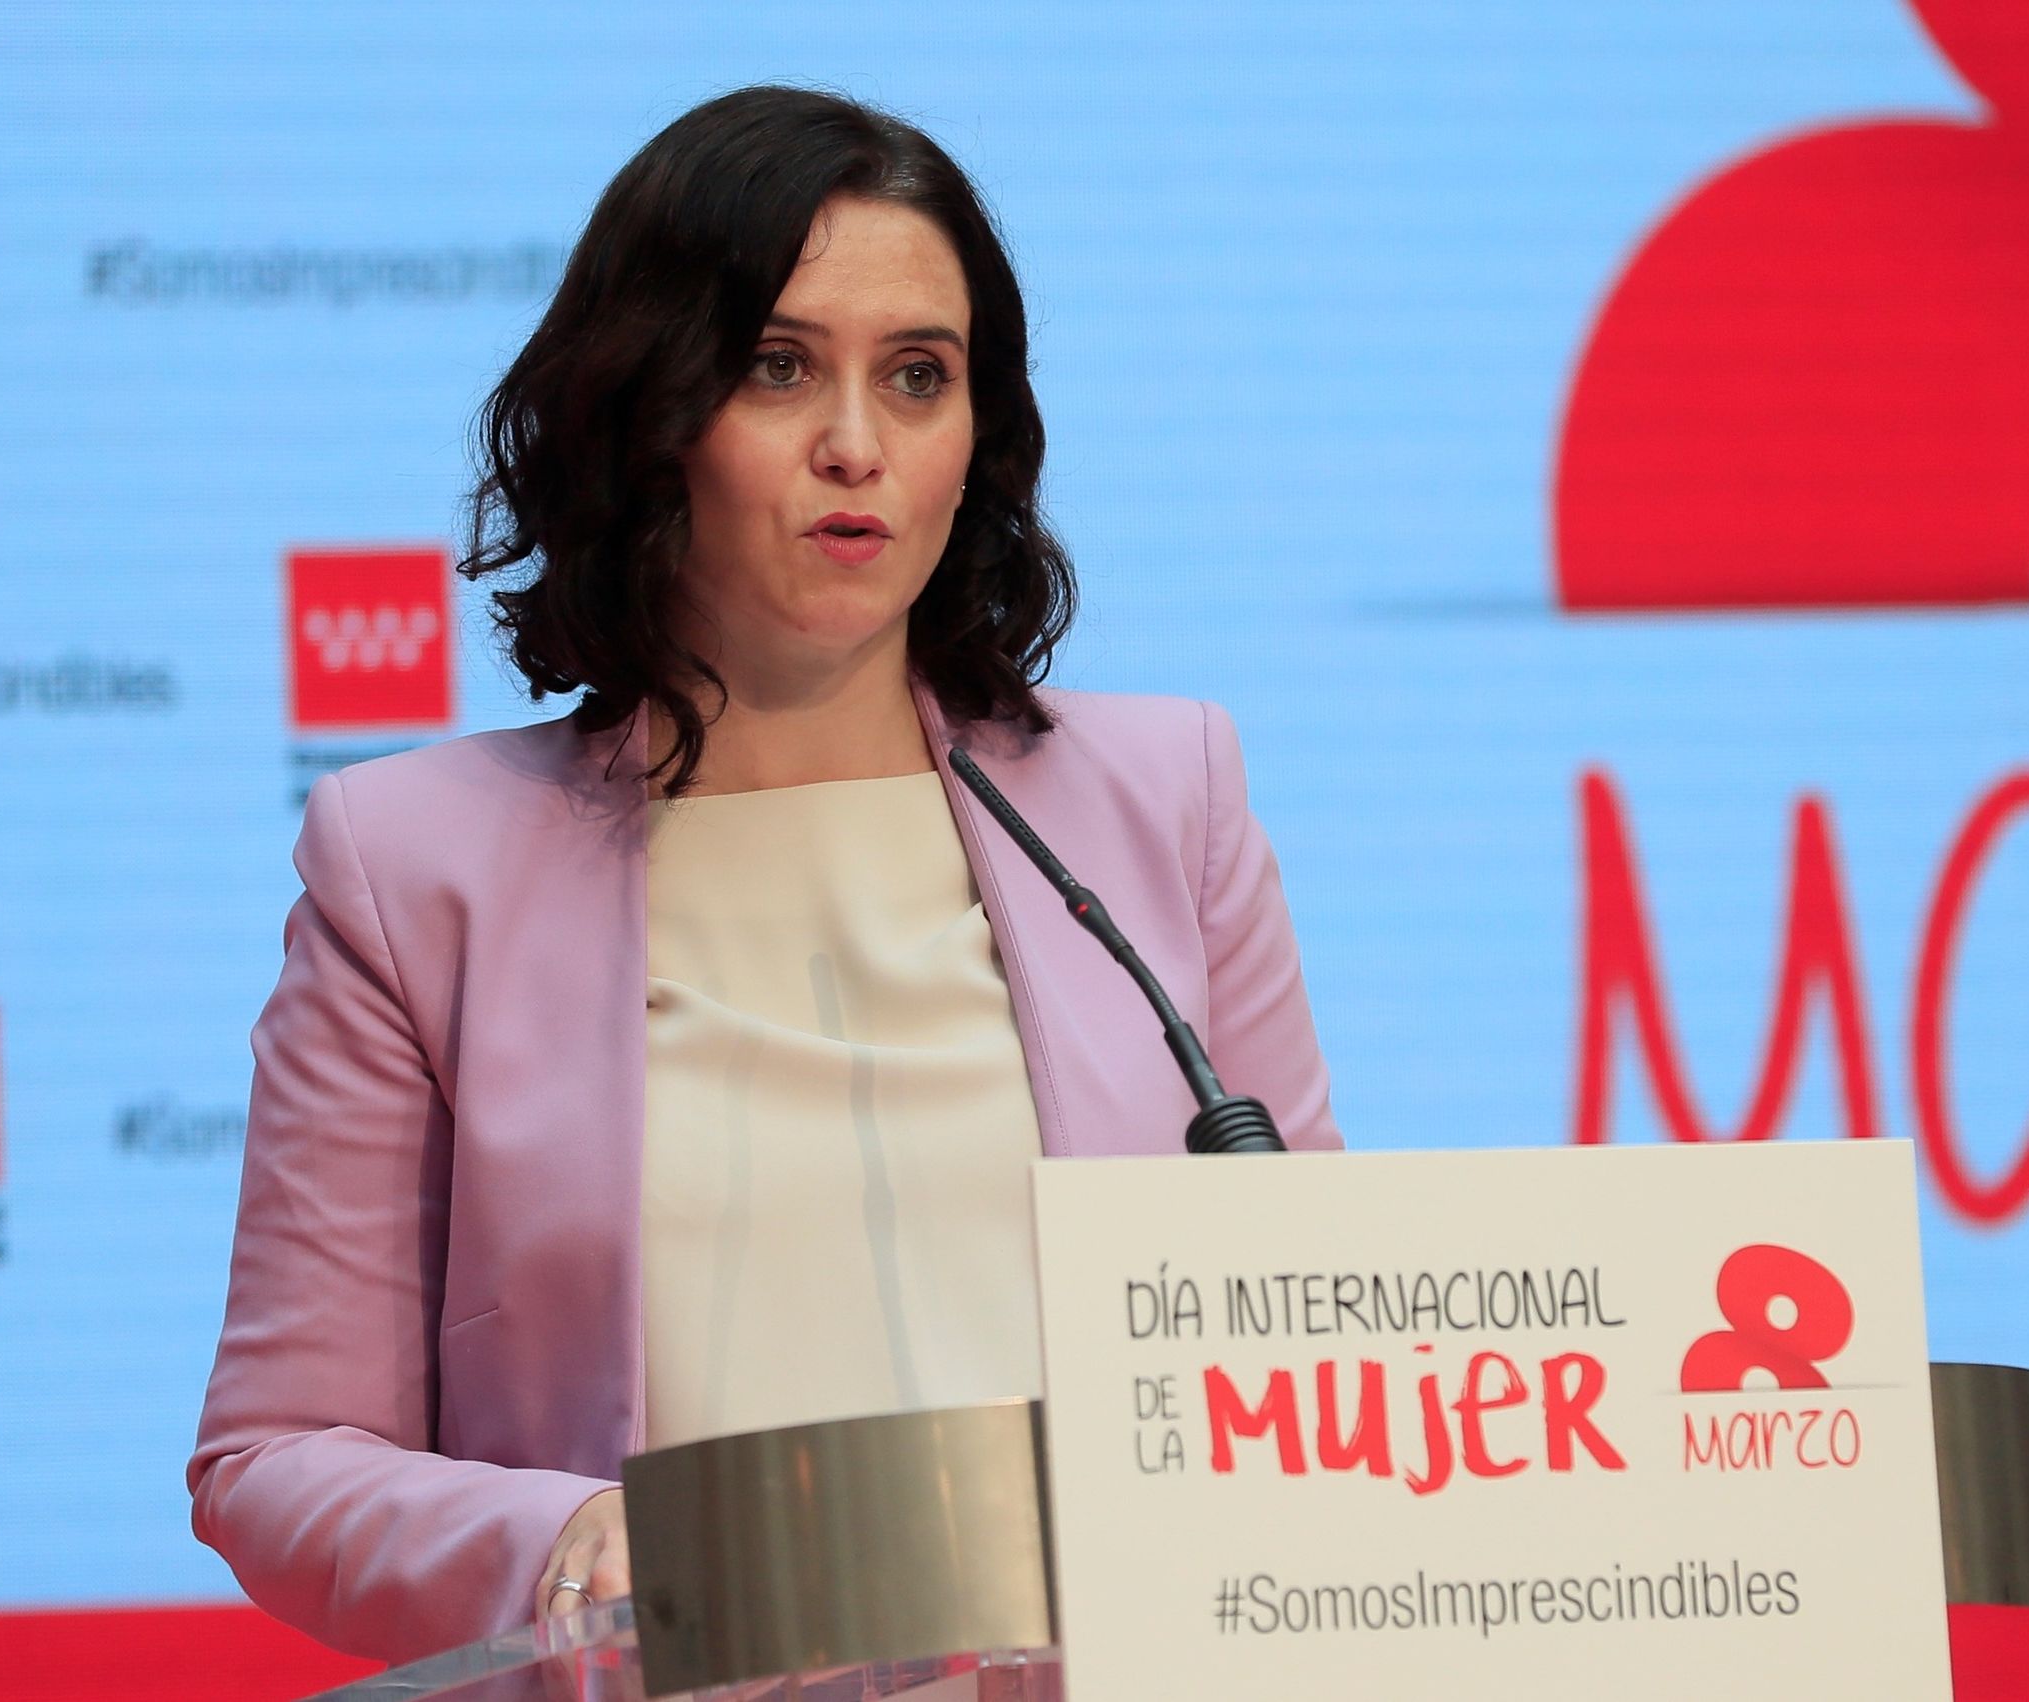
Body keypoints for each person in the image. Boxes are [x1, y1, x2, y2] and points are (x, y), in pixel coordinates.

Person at [187, 83, 1343, 1668]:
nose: (856, 444)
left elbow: (1318, 1344)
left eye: (919, 377)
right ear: (648, 412)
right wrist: (561, 1543)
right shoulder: (416, 869)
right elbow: (279, 1455)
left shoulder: (1162, 800)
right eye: (779, 366)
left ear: (979, 438)